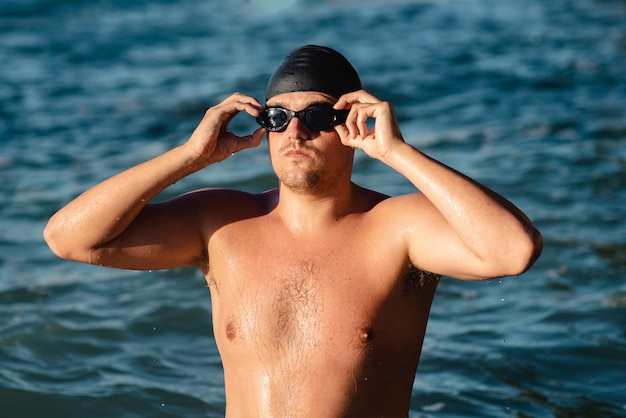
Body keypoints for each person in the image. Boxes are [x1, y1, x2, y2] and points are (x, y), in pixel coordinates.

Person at [44, 45, 542, 417]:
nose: (296, 132)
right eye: (279, 117)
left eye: (318, 116)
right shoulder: (222, 224)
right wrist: (190, 157)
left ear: (355, 123)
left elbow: (513, 251)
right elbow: (70, 238)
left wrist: (396, 152)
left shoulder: (398, 229)